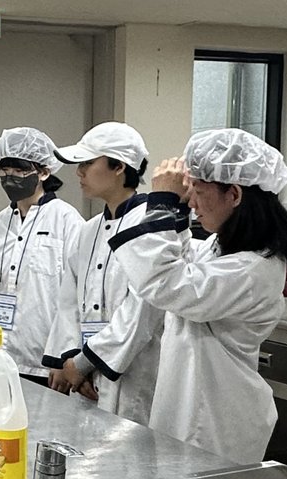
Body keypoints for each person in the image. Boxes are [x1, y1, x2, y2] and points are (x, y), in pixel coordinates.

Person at [108, 128, 287, 464]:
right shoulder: (222, 247)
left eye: (198, 192)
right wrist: (176, 217)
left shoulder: (253, 269)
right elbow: (181, 264)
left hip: (216, 422)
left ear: (234, 194)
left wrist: (163, 204)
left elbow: (165, 283)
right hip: (190, 407)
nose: (192, 203)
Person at [41, 122, 172, 426]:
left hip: (132, 373)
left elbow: (140, 314)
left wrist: (84, 363)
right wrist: (70, 359)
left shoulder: (151, 227)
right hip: (83, 377)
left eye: (87, 163)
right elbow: (68, 303)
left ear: (119, 167)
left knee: (131, 447)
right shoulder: (88, 231)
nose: (79, 172)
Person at [0, 127, 84, 386]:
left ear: (43, 172)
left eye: (19, 171)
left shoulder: (67, 221)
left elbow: (76, 296)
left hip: (45, 360)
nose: (10, 178)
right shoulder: (0, 223)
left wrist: (64, 357)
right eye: (4, 171)